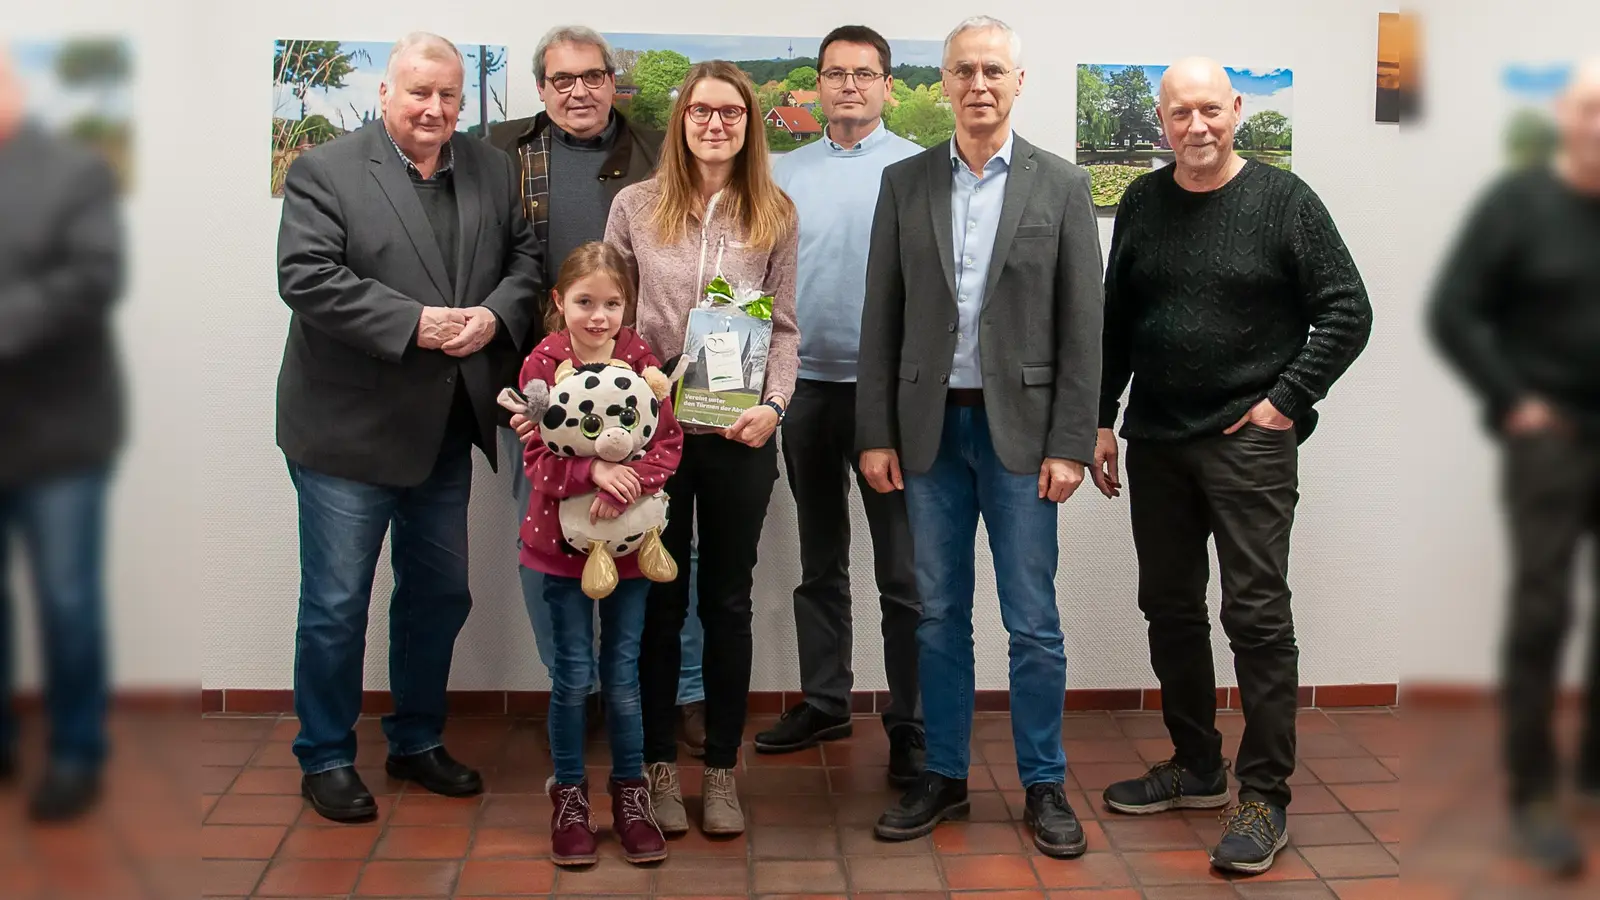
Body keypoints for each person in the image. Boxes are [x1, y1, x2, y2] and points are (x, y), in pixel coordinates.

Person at [1093, 58, 1372, 876]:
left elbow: (1346, 309)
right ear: (1161, 121)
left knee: (1255, 617)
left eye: (1210, 109)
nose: (1197, 126)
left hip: (1247, 443)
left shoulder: (1285, 202)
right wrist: (1101, 420)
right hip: (1158, 441)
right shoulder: (1142, 203)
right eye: (1181, 114)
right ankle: (1196, 766)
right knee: (1170, 607)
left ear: (1237, 109)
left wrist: (1286, 399)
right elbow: (1118, 321)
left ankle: (1265, 795)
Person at [275, 32, 541, 822]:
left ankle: (417, 739)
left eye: (448, 96)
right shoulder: (324, 170)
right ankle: (324, 755)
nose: (433, 109)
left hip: (443, 430)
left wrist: (495, 319)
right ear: (385, 93)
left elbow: (526, 264)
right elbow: (307, 276)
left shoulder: (492, 167)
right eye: (418, 92)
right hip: (345, 434)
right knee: (335, 604)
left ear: (464, 101)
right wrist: (417, 324)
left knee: (438, 595)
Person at [857, 17, 1104, 859]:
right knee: (938, 617)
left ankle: (1043, 782)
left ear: (1018, 83)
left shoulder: (1061, 187)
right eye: (963, 70)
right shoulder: (905, 183)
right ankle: (946, 777)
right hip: (926, 435)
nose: (978, 84)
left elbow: (1083, 328)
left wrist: (1072, 440)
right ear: (944, 84)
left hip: (1027, 441)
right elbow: (879, 320)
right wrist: (875, 433)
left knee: (1033, 622)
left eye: (994, 70)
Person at [605, 60, 800, 837]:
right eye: (700, 111)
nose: (714, 124)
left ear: (749, 124)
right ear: (680, 120)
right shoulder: (635, 206)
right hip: (654, 434)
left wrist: (775, 407)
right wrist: (640, 379)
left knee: (726, 602)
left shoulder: (775, 213)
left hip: (738, 435)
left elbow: (783, 327)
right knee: (657, 600)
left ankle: (720, 770)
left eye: (730, 113)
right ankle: (657, 767)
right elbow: (611, 319)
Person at [1427, 58, 1600, 879]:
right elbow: (1454, 309)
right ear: (1567, 115)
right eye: (1593, 109)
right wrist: (1513, 399)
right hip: (1554, 443)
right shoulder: (1519, 204)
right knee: (1542, 615)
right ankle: (1534, 794)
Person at [488, 27, 678, 729]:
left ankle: (655, 693)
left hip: (639, 387)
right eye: (562, 80)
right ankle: (573, 689)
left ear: (612, 82)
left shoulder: (659, 150)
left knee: (649, 527)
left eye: (592, 76)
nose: (579, 91)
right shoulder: (501, 153)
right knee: (545, 535)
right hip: (539, 389)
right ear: (541, 87)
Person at [757, 25, 925, 783]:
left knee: (903, 568)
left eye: (864, 74)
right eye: (835, 74)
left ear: (888, 86)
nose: (849, 86)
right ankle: (826, 699)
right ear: (816, 86)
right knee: (820, 557)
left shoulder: (921, 172)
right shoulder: (781, 173)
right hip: (806, 388)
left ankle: (912, 721)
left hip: (889, 396)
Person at [517, 241, 681, 867]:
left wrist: (634, 482)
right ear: (560, 303)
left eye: (613, 304)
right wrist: (591, 472)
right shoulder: (541, 366)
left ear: (627, 307)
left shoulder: (643, 361)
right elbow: (535, 457)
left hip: (633, 550)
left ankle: (631, 797)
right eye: (585, 303)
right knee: (572, 676)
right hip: (559, 552)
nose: (599, 317)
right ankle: (570, 798)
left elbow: (665, 444)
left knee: (622, 676)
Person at [0, 45, 123, 822]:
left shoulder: (74, 170)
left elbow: (92, 279)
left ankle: (77, 751)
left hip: (62, 435)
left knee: (67, 601)